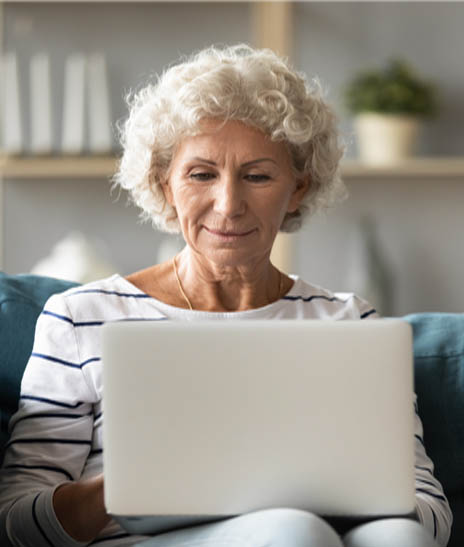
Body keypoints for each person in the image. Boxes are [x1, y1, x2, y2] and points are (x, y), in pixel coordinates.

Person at [0, 44, 452, 547]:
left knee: (399, 539)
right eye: (201, 174)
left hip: (326, 532)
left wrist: (337, 489)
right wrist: (136, 487)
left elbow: (429, 509)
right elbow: (17, 521)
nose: (229, 204)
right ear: (164, 183)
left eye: (257, 176)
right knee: (291, 531)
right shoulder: (82, 317)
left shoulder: (348, 323)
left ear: (297, 188)